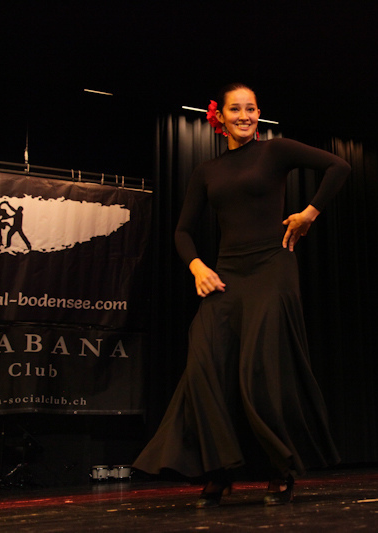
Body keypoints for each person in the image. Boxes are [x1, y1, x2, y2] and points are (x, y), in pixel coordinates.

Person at [133, 83, 351, 507]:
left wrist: (309, 214)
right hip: (228, 276)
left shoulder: (275, 151)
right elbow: (182, 232)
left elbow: (338, 167)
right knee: (204, 364)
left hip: (272, 267)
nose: (245, 116)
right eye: (236, 109)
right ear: (220, 117)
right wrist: (198, 267)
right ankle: (219, 469)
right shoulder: (207, 171)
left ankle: (280, 467)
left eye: (251, 109)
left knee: (262, 367)